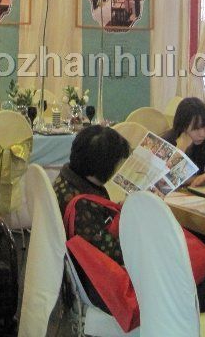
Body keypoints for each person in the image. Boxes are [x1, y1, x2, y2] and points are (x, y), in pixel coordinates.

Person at [53, 126, 130, 314]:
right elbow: (114, 253)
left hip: (79, 271)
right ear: (104, 167)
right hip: (95, 283)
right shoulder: (83, 205)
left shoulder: (68, 179)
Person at [161, 98, 205, 313]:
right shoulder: (167, 142)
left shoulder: (204, 142)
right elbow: (164, 181)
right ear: (182, 125)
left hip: (195, 206)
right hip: (170, 213)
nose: (202, 133)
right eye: (196, 128)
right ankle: (198, 297)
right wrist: (194, 176)